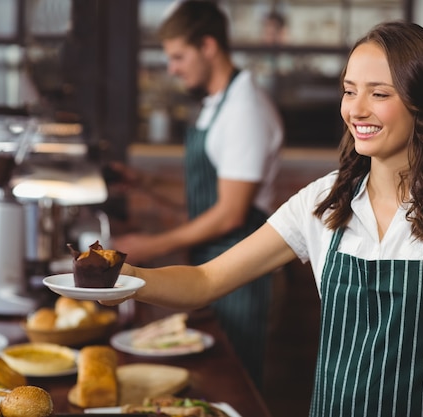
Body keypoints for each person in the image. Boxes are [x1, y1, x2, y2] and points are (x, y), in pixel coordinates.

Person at [106, 21, 423, 416]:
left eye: (379, 94)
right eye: (349, 91)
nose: (356, 110)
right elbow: (206, 282)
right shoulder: (324, 202)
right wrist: (121, 279)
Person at [110, 0, 284, 388]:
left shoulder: (244, 109)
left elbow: (230, 212)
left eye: (178, 56)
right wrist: (145, 182)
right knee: (207, 378)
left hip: (243, 270)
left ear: (208, 46)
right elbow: (208, 193)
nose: (172, 69)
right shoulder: (215, 104)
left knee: (233, 382)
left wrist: (149, 247)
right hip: (210, 265)